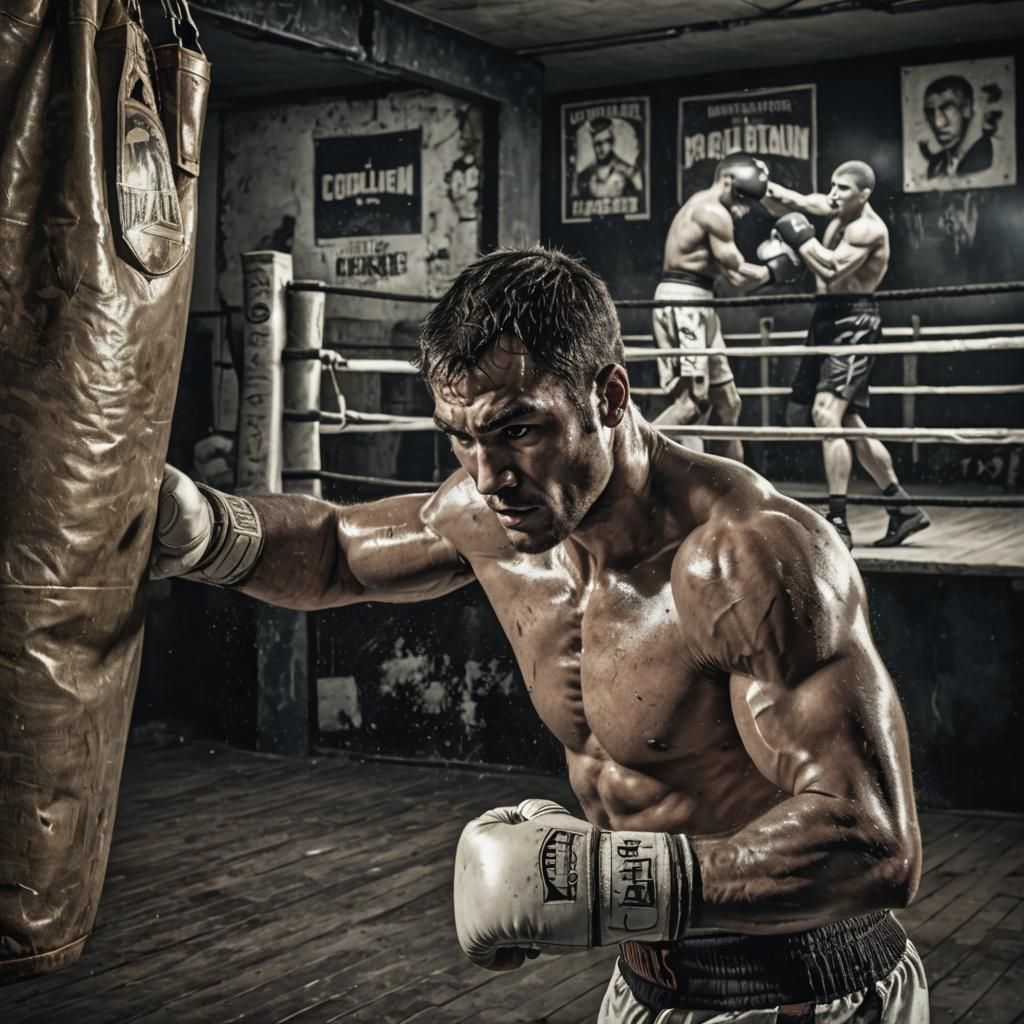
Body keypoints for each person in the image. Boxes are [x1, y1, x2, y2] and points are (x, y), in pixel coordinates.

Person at [152, 247, 927, 1022]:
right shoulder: (494, 513)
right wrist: (208, 533)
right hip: (649, 984)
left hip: (810, 995)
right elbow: (338, 551)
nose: (488, 477)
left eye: (517, 429)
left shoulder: (745, 560)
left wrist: (604, 884)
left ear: (611, 395)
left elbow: (875, 842)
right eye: (461, 438)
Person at [764, 161, 931, 549]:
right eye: (832, 186)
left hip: (855, 318)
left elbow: (833, 268)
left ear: (864, 194)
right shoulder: (834, 207)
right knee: (847, 420)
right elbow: (790, 202)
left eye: (843, 189)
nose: (834, 193)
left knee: (827, 413)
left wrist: (801, 236)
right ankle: (903, 508)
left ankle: (838, 519)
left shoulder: (869, 229)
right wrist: (757, 185)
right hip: (826, 317)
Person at [652, 152, 799, 462]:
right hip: (683, 301)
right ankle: (624, 460)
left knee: (729, 403)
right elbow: (737, 272)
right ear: (727, 181)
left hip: (701, 301)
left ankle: (734, 491)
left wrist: (769, 273)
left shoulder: (713, 209)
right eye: (742, 198)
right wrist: (775, 270)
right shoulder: (711, 211)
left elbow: (734, 280)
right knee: (692, 403)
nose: (744, 209)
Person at [920, 75, 994, 179]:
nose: (938, 123)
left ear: (967, 109)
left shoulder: (986, 158)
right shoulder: (936, 164)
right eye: (930, 112)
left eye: (947, 108)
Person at [574, 116, 643, 200]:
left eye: (606, 141)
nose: (602, 148)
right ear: (593, 145)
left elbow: (641, 198)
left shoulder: (629, 171)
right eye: (598, 144)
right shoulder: (584, 175)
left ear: (612, 142)